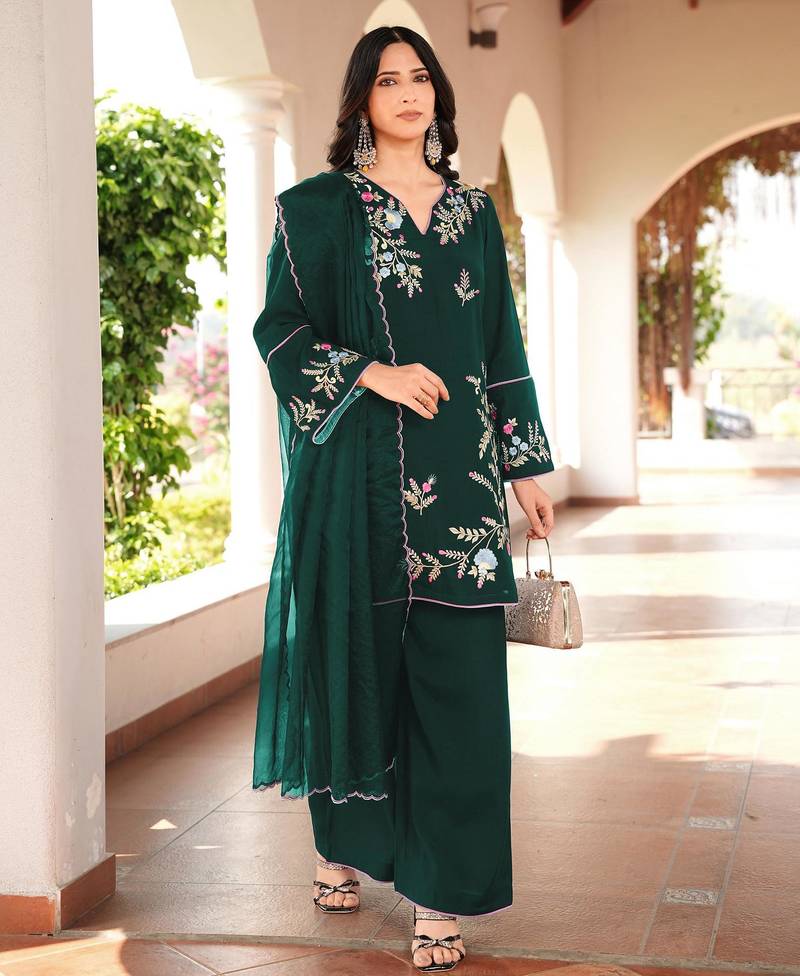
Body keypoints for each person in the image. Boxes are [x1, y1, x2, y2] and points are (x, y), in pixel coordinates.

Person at [251, 25, 555, 973]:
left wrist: (525, 464)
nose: (408, 92)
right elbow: (278, 331)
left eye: (420, 76)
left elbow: (501, 345)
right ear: (362, 100)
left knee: (463, 699)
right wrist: (370, 374)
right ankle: (344, 846)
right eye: (388, 80)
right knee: (360, 673)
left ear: (438, 95)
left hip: (461, 494)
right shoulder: (318, 213)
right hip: (361, 492)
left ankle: (440, 896)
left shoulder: (475, 215)